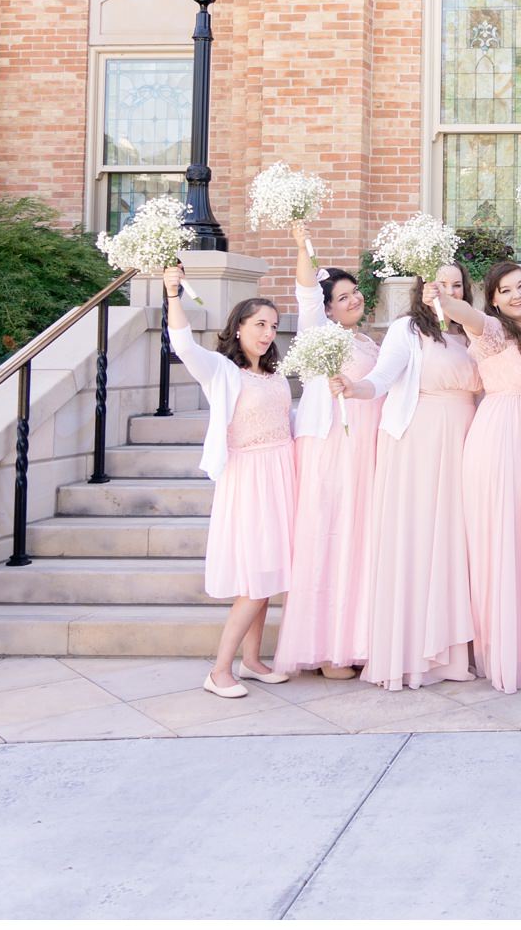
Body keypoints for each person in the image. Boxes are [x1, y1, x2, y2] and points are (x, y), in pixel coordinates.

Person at [344, 262, 480, 690]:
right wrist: (356, 389)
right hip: (420, 441)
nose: (450, 290)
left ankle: (452, 651)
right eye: (442, 284)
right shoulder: (408, 329)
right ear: (425, 288)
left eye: (458, 285)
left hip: (465, 439)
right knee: (421, 540)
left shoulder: (472, 332)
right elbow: (382, 378)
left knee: (455, 542)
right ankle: (412, 652)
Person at [163, 267, 296, 699]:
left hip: (282, 472)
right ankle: (220, 669)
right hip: (249, 477)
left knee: (268, 575)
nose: (266, 333)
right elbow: (182, 344)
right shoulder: (221, 371)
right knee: (254, 579)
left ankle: (253, 661)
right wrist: (173, 294)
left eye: (273, 327)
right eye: (259, 324)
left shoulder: (274, 375)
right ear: (238, 328)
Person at [446, 260, 521, 694]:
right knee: (509, 540)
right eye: (506, 290)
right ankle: (509, 653)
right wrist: (445, 299)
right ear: (493, 298)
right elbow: (469, 317)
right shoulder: (494, 331)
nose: (517, 295)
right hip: (506, 438)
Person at [274, 221, 381, 681]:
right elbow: (304, 292)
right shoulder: (319, 334)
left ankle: (353, 641)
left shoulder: (367, 342)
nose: (353, 299)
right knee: (330, 538)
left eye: (355, 292)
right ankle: (326, 650)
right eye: (342, 297)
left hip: (365, 454)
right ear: (328, 309)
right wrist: (304, 247)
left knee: (358, 543)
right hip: (331, 449)